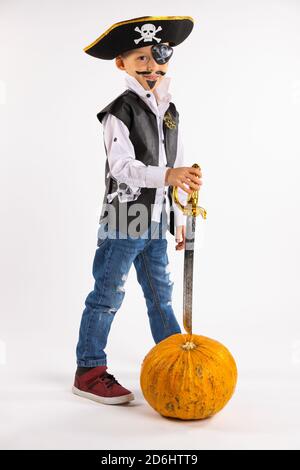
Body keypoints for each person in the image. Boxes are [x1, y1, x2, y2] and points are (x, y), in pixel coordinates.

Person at [73, 16, 203, 405]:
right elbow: (122, 168)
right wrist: (170, 174)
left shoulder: (170, 110)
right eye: (141, 58)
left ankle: (176, 359)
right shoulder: (119, 111)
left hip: (155, 220)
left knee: (160, 295)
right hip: (124, 218)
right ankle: (89, 369)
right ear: (122, 63)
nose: (151, 67)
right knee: (108, 293)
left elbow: (176, 166)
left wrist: (179, 218)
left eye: (159, 58)